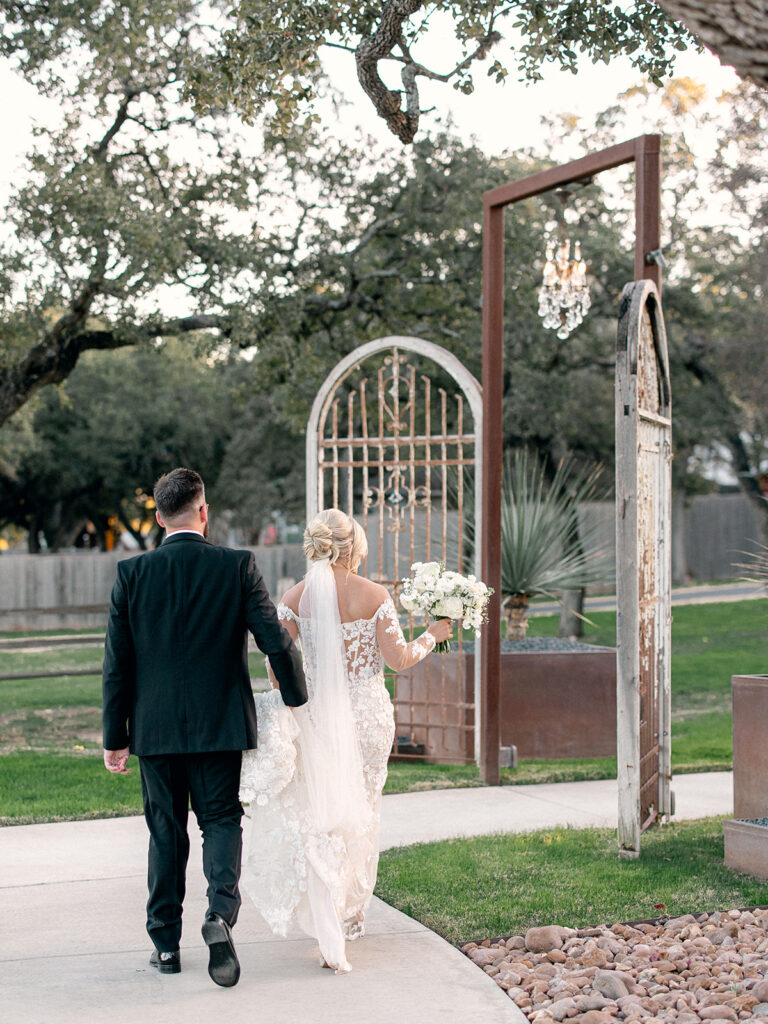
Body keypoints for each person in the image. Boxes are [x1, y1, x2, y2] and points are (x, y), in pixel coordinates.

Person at [102, 467, 307, 987]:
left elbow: (116, 665)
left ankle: (165, 946)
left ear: (157, 517)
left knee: (164, 831)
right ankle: (219, 915)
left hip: (155, 729)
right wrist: (295, 696)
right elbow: (275, 640)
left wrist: (115, 737)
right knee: (219, 820)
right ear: (204, 511)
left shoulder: (131, 573)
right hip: (220, 725)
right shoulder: (237, 566)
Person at [239, 508, 452, 974]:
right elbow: (397, 660)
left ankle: (327, 911)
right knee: (363, 810)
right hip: (367, 719)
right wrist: (433, 636)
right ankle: (350, 913)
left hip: (315, 719)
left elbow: (277, 672)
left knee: (323, 813)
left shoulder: (293, 598)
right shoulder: (374, 595)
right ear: (351, 546)